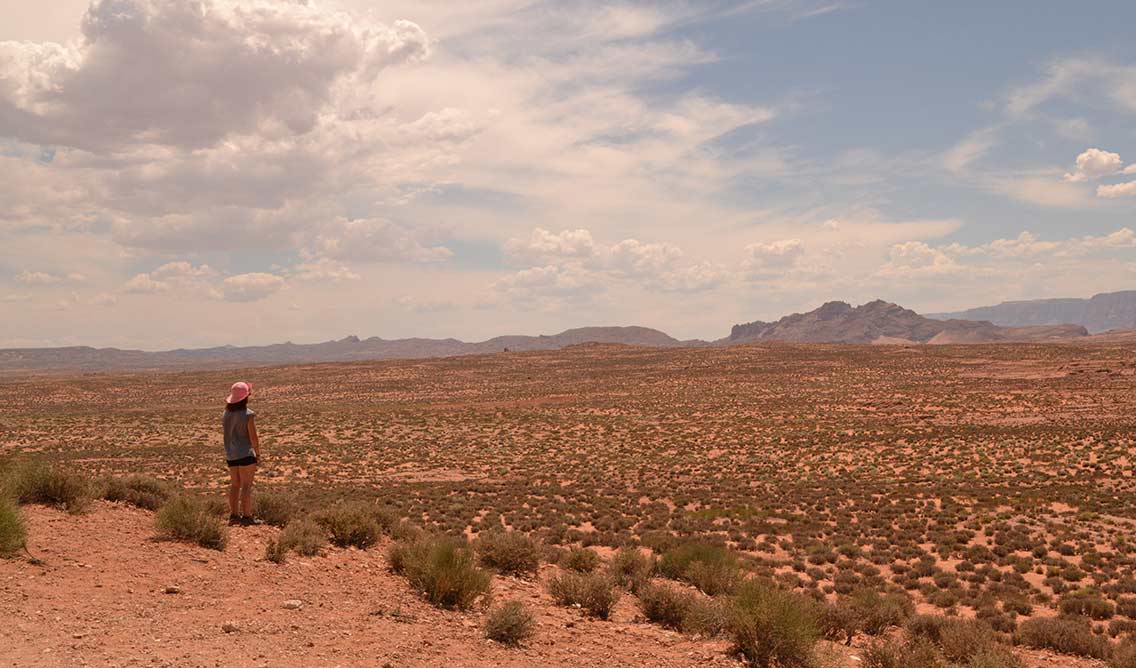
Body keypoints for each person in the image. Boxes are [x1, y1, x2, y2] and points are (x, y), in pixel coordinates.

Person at [222, 381, 262, 526]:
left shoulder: (226, 413)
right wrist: (257, 454)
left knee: (235, 485)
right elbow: (253, 437)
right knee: (246, 485)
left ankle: (233, 515)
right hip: (245, 454)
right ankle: (247, 517)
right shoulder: (248, 414)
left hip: (231, 455)